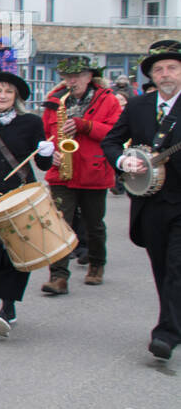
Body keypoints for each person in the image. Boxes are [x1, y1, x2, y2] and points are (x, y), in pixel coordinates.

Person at [103, 41, 181, 361]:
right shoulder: (137, 106)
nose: (165, 74)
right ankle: (173, 319)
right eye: (159, 70)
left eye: (172, 68)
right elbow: (111, 141)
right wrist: (124, 162)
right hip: (149, 202)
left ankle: (166, 333)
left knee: (177, 267)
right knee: (162, 268)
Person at [0, 72, 53, 337]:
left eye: (8, 92)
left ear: (16, 97)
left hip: (20, 196)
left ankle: (8, 307)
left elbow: (42, 164)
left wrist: (47, 153)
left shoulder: (30, 123)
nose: (3, 96)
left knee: (16, 252)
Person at [39, 54, 120, 294]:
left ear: (89, 77)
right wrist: (48, 151)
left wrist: (86, 126)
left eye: (77, 76)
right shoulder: (55, 101)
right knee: (59, 224)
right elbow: (45, 135)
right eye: (68, 77)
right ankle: (58, 276)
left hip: (94, 170)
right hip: (62, 172)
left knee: (94, 224)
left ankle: (96, 265)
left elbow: (116, 133)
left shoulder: (108, 100)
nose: (72, 81)